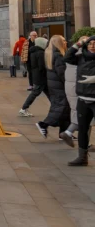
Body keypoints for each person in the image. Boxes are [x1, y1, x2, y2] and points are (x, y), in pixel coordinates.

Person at [64, 36, 95, 166]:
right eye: (90, 44)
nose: (92, 46)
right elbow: (67, 57)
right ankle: (82, 158)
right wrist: (78, 43)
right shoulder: (81, 57)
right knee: (82, 129)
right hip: (82, 98)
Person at [36, 35, 71, 142]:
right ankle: (44, 124)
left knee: (63, 108)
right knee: (62, 107)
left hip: (53, 85)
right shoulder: (59, 55)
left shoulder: (49, 54)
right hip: (60, 85)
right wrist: (69, 83)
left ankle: (64, 133)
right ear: (58, 43)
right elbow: (62, 73)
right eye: (63, 40)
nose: (66, 42)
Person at [63, 36, 89, 144]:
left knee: (79, 114)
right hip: (79, 88)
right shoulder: (81, 56)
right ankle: (69, 133)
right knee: (83, 116)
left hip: (72, 87)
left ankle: (71, 134)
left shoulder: (75, 54)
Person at [19, 37, 49, 117]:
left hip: (37, 76)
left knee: (49, 94)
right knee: (35, 93)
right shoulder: (41, 53)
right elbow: (41, 66)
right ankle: (23, 108)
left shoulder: (33, 52)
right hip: (41, 77)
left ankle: (57, 108)